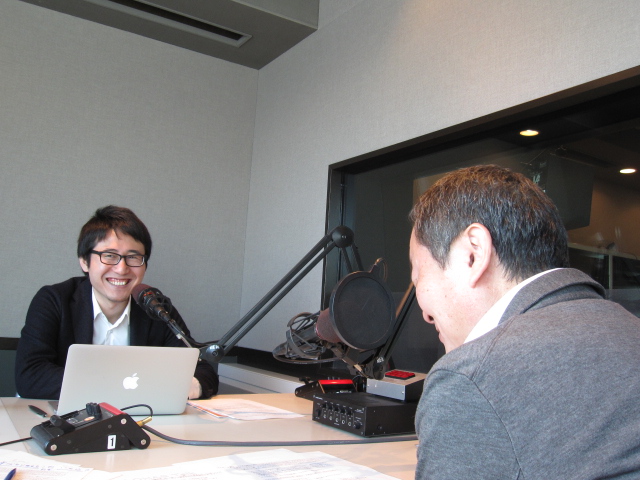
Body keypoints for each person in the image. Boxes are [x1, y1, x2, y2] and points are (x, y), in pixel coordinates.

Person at [409, 165, 640, 479]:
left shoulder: (470, 380)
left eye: (418, 276)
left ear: (472, 255)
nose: (424, 314)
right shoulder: (629, 332)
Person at [15, 205, 218, 400]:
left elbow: (203, 371)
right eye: (109, 256)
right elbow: (30, 375)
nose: (122, 269)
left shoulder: (155, 307)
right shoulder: (54, 300)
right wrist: (120, 387)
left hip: (137, 416)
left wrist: (187, 386)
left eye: (133, 257)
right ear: (84, 261)